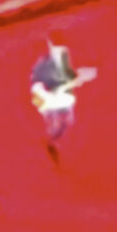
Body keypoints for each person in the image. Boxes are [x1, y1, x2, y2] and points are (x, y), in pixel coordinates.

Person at [30, 32, 92, 160]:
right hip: (48, 97)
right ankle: (51, 142)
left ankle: (52, 141)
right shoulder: (45, 64)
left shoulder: (54, 59)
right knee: (61, 119)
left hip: (51, 98)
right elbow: (44, 87)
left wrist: (77, 78)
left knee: (64, 120)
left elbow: (67, 76)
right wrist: (76, 80)